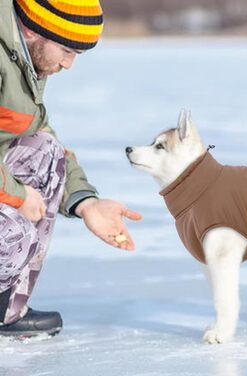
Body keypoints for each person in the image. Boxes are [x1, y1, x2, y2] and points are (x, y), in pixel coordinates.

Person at [0, 0, 142, 338]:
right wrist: (18, 196)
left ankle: (6, 308)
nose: (69, 64)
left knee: (45, 150)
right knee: (13, 235)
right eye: (66, 50)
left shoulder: (23, 57)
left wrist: (85, 202)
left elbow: (40, 133)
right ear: (34, 30)